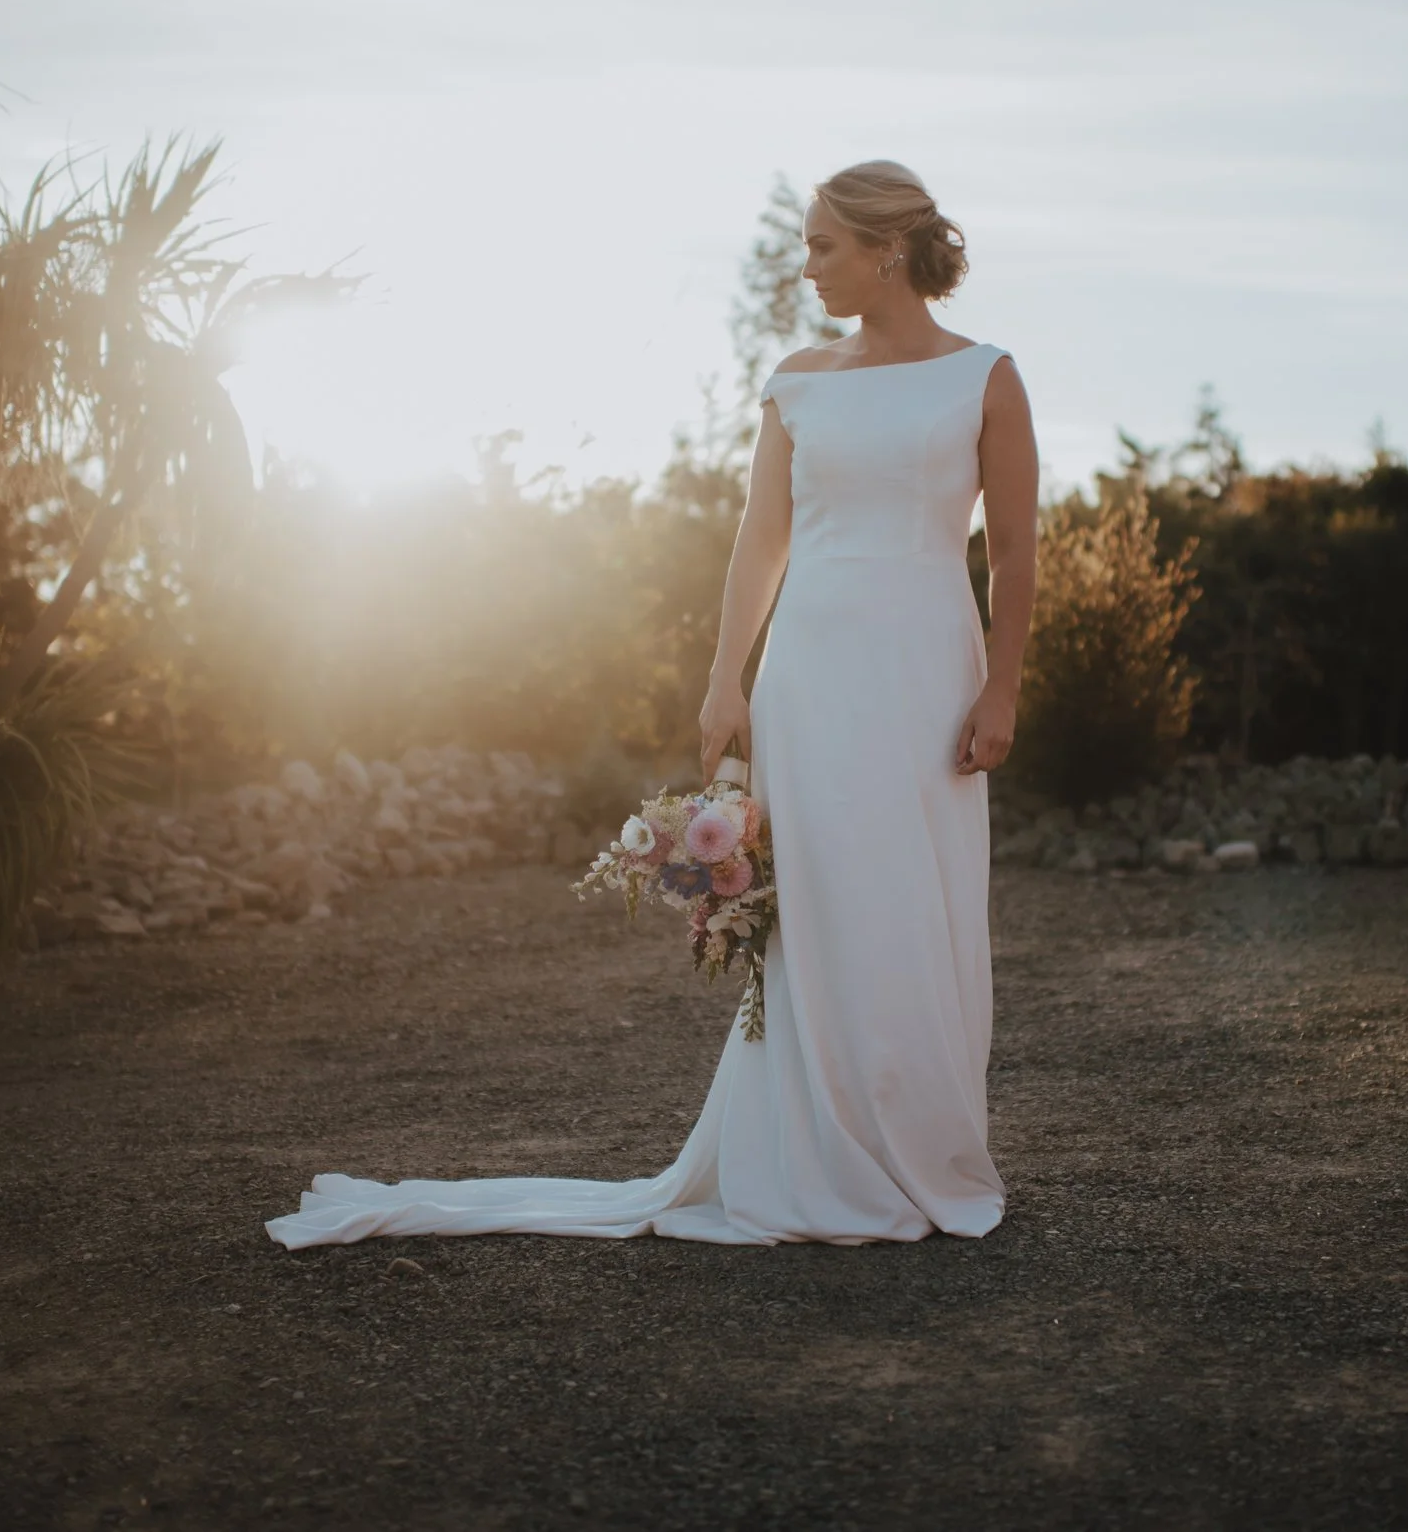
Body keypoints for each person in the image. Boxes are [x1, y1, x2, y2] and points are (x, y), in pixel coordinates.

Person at [265, 160, 1038, 1247]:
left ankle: (922, 1149)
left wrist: (1002, 684)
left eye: (823, 245)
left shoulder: (985, 377)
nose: (807, 264)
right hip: (810, 675)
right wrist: (726, 676)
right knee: (817, 912)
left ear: (887, 248)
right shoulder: (799, 382)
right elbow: (759, 541)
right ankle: (816, 1155)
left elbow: (1011, 548)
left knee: (916, 903)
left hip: (926, 673)